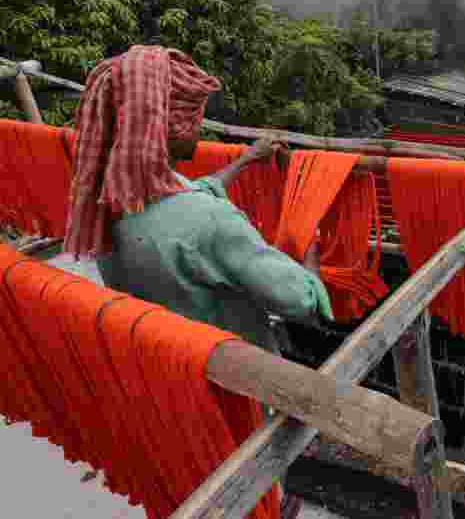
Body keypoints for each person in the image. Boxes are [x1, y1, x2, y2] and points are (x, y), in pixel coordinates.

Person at [64, 45, 330, 519]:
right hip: (233, 389)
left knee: (197, 474)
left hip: (165, 378)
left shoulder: (111, 202)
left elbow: (188, 195)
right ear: (166, 124)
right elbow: (298, 301)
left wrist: (246, 160)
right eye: (193, 119)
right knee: (248, 483)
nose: (201, 128)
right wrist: (310, 256)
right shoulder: (208, 223)